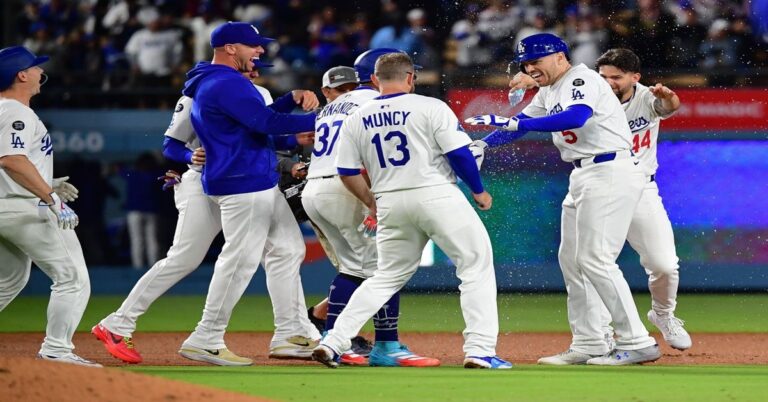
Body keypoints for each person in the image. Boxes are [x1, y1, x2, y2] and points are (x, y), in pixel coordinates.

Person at [92, 58, 321, 365]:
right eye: (252, 62)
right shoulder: (201, 91)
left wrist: (291, 134)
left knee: (286, 248)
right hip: (203, 181)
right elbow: (171, 144)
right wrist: (189, 154)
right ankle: (126, 324)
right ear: (233, 60)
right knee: (190, 257)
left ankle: (291, 332)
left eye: (259, 64)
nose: (256, 68)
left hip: (241, 178)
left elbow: (259, 132)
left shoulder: (258, 93)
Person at [465, 33, 661, 365]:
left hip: (609, 168)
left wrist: (511, 123)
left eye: (536, 61)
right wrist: (485, 144)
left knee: (595, 258)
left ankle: (636, 340)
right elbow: (524, 123)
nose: (530, 67)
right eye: (526, 63)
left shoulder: (581, 77)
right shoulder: (550, 88)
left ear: (559, 57)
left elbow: (576, 117)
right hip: (584, 173)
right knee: (572, 260)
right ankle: (590, 342)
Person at [313, 52, 511, 369]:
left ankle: (334, 341)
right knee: (475, 267)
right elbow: (460, 154)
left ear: (375, 80)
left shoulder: (357, 115)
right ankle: (480, 350)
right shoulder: (430, 107)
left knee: (385, 278)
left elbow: (347, 171)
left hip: (390, 200)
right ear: (409, 78)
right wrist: (478, 190)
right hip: (436, 194)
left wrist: (372, 202)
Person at [175, 21, 319, 365]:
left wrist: (287, 101)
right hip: (242, 180)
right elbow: (266, 125)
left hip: (254, 176)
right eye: (253, 46)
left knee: (287, 248)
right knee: (239, 261)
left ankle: (289, 334)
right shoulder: (224, 82)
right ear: (229, 48)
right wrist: (328, 118)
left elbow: (257, 121)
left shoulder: (218, 81)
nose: (260, 51)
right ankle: (206, 337)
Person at [302, 60, 439, 367]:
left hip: (316, 189)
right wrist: (371, 199)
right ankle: (379, 345)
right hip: (346, 188)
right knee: (383, 269)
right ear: (375, 77)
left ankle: (339, 340)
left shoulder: (332, 106)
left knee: (355, 267)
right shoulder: (372, 100)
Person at [0, 45, 100, 367]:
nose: (42, 72)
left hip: (7, 206)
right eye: (36, 67)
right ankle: (57, 350)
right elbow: (11, 160)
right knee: (72, 277)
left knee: (9, 280)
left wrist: (46, 180)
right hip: (24, 209)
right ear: (21, 74)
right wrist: (50, 196)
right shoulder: (15, 111)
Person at [595, 48, 691, 351]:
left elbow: (669, 106)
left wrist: (667, 96)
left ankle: (663, 315)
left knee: (664, 265)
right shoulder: (590, 97)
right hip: (599, 187)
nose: (608, 82)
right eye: (604, 76)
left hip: (640, 188)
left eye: (616, 77)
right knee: (595, 263)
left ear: (635, 77)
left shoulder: (647, 96)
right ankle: (601, 332)